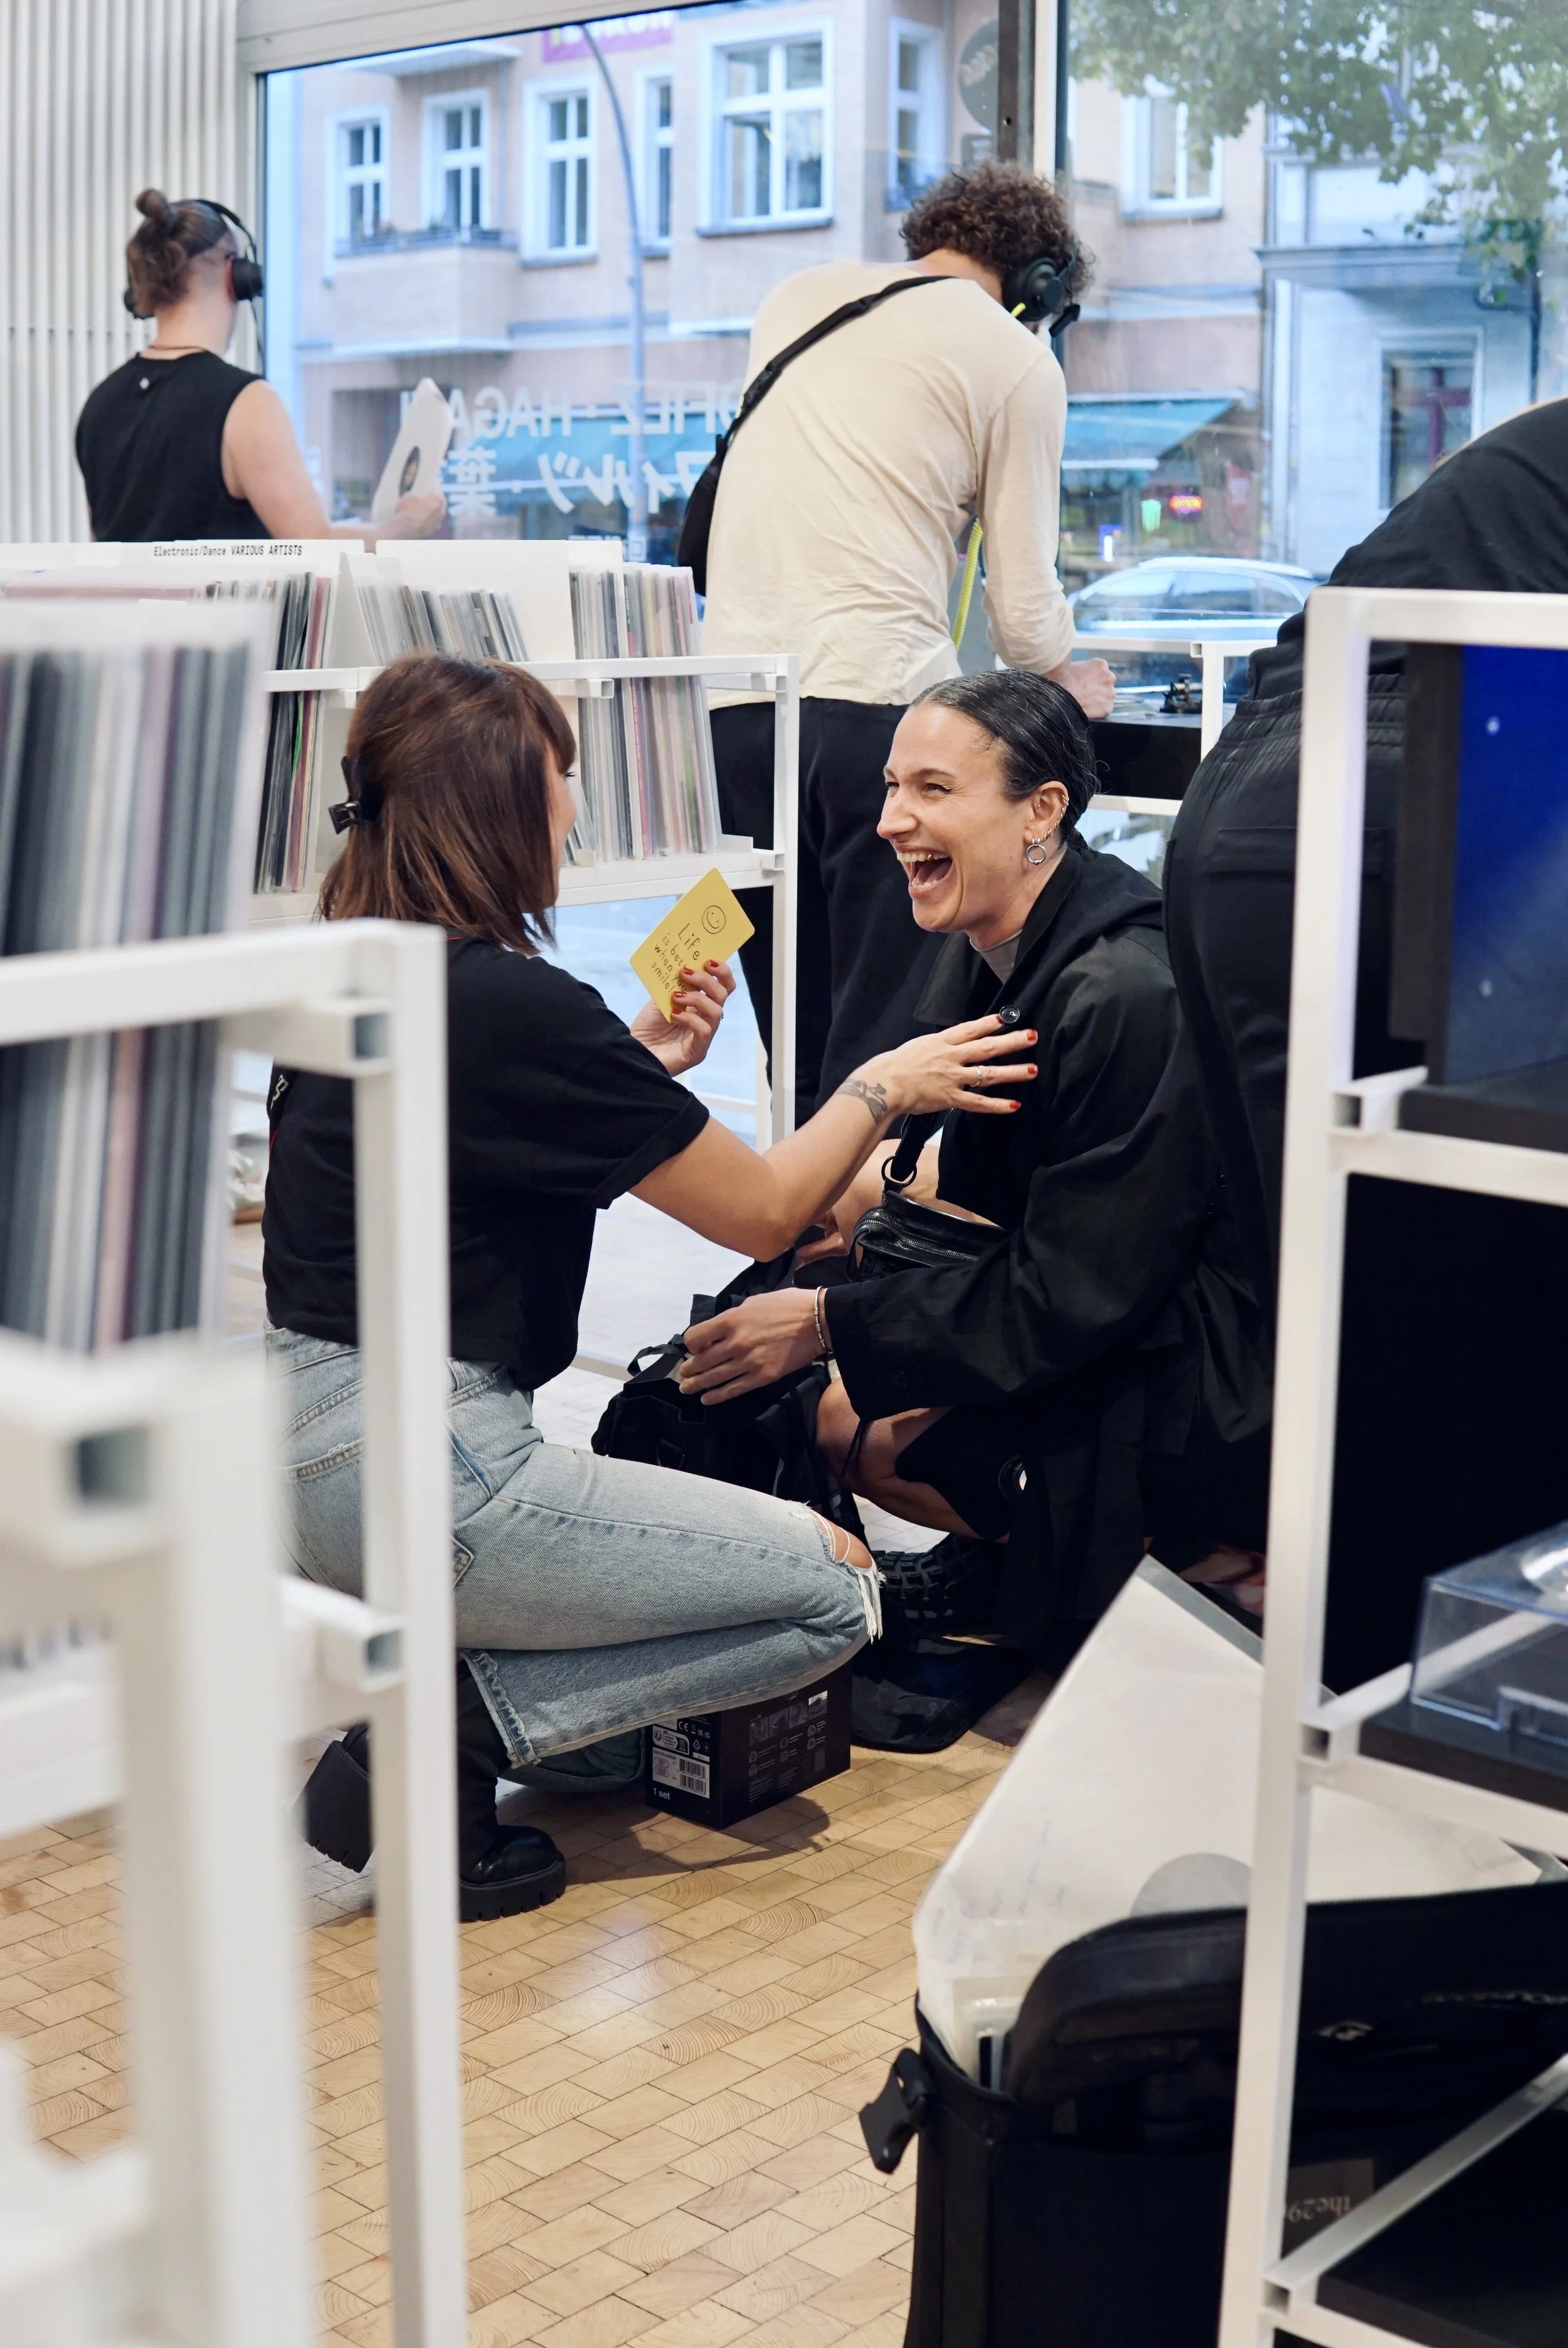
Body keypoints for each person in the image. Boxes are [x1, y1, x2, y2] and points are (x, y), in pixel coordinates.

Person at [264, 652, 1039, 1918]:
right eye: (562, 777)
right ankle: (448, 1729)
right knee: (830, 1586)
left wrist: (642, 1058)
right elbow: (768, 1205)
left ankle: (445, 1718)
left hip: (299, 1455)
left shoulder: (360, 968)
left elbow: (465, 1167)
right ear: (503, 802)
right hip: (429, 1461)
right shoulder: (513, 1002)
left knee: (635, 1701)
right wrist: (884, 1083)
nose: (573, 805)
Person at [681, 671, 1270, 1660]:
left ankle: (1193, 1558)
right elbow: (1007, 1169)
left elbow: (1075, 1290)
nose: (889, 820)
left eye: (932, 790)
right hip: (1113, 1302)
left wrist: (827, 1322)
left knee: (832, 1410)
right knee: (794, 1299)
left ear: (1042, 810)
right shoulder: (992, 940)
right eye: (891, 786)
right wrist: (850, 1209)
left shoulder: (1125, 990)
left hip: (1195, 1373)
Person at [1164, 397, 1568, 1691]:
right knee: (1474, 1313)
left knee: (1336, 1314)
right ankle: (1447, 1725)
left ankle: (1358, 1704)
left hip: (1250, 790)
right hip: (1410, 783)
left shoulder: (1527, 461)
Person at [701, 161, 1117, 1127]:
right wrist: (1069, 677)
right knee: (881, 1032)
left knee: (794, 1028)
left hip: (732, 716)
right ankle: (855, 1268)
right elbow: (1023, 611)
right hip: (876, 723)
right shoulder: (1016, 360)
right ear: (1041, 287)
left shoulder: (796, 300)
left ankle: (790, 1239)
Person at [75, 189, 445, 545]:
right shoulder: (246, 404)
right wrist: (408, 526)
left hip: (123, 612)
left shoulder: (99, 405)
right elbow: (315, 545)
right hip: (220, 612)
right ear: (234, 275)